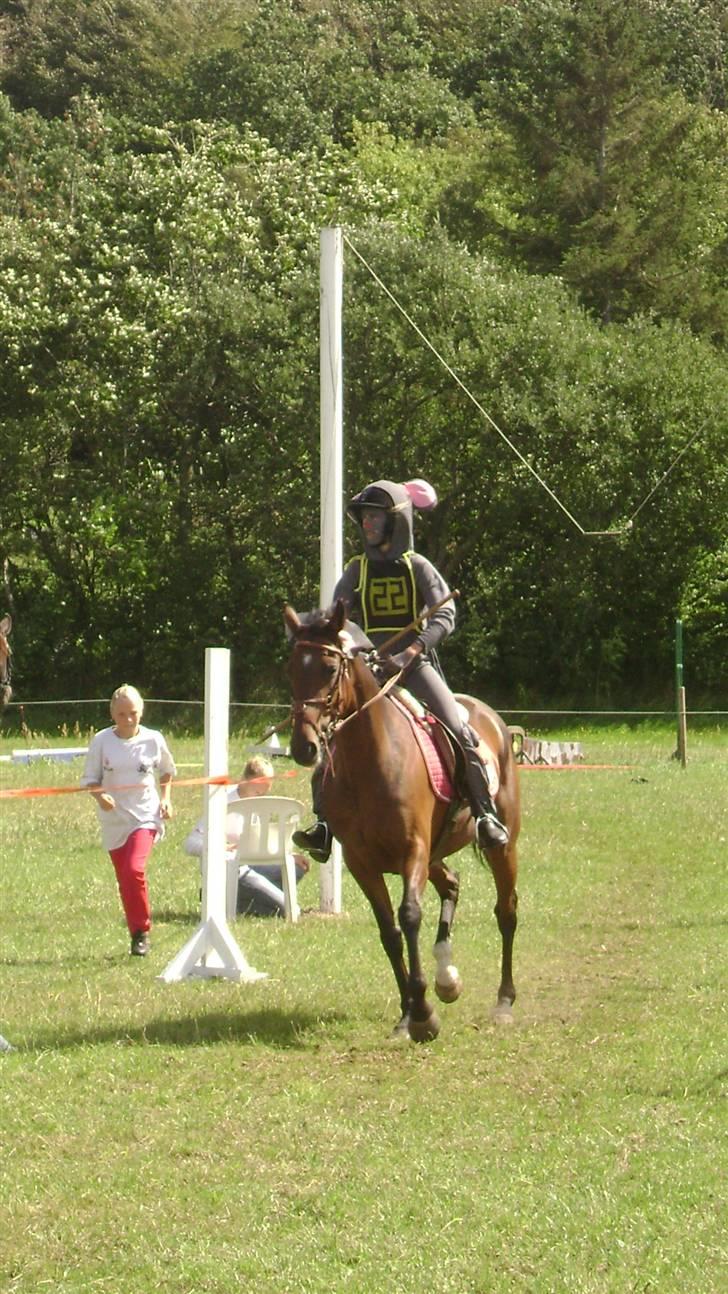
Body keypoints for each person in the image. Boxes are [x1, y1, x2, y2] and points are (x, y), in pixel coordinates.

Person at [292, 477, 509, 862]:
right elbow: (334, 617)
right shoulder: (357, 569)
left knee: (459, 729)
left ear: (396, 522)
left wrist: (413, 650)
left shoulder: (418, 567)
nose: (367, 525)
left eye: (375, 517)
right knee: (333, 734)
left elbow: (446, 613)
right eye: (364, 519)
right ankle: (325, 823)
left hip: (415, 666)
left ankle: (484, 813)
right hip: (371, 669)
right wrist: (310, 627)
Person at [81, 684, 176, 956]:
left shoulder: (153, 739)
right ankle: (136, 932)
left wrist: (167, 798)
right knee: (125, 878)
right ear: (112, 713)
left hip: (145, 816)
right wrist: (100, 797)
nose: (128, 720)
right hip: (114, 821)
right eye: (122, 714)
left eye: (133, 713)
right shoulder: (101, 741)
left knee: (134, 869)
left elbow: (167, 771)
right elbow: (90, 780)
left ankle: (141, 930)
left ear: (141, 712)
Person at [182, 755, 309, 917]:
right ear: (244, 780)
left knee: (296, 867)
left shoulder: (258, 803)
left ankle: (238, 901)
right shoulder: (222, 801)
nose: (260, 796)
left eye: (264, 791)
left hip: (253, 863)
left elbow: (258, 842)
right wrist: (220, 847)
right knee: (291, 910)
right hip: (232, 868)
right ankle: (232, 899)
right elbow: (190, 843)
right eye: (257, 790)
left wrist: (287, 855)